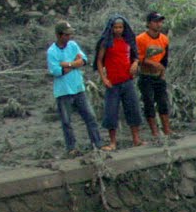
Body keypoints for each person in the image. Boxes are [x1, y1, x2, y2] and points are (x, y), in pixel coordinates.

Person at [47, 21, 101, 154]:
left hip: (78, 88)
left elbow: (84, 60)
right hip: (63, 91)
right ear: (59, 35)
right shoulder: (52, 51)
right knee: (67, 122)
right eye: (66, 34)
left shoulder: (73, 45)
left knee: (90, 117)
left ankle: (97, 144)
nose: (69, 37)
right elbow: (56, 71)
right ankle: (71, 148)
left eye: (70, 34)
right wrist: (74, 64)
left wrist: (68, 64)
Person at [96, 15, 144, 149]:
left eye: (120, 27)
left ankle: (136, 139)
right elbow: (99, 60)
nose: (118, 30)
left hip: (127, 81)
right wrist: (104, 78)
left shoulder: (128, 41)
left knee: (133, 109)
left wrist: (135, 63)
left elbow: (136, 56)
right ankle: (112, 142)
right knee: (111, 112)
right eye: (115, 27)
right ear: (111, 28)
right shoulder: (106, 43)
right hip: (113, 83)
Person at [135, 11, 172, 139]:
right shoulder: (140, 39)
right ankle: (154, 131)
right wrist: (151, 63)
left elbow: (165, 59)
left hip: (158, 75)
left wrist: (162, 71)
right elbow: (137, 58)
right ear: (149, 23)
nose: (159, 24)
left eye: (160, 22)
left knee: (162, 102)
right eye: (156, 22)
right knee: (149, 102)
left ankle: (167, 130)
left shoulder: (164, 39)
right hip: (146, 75)